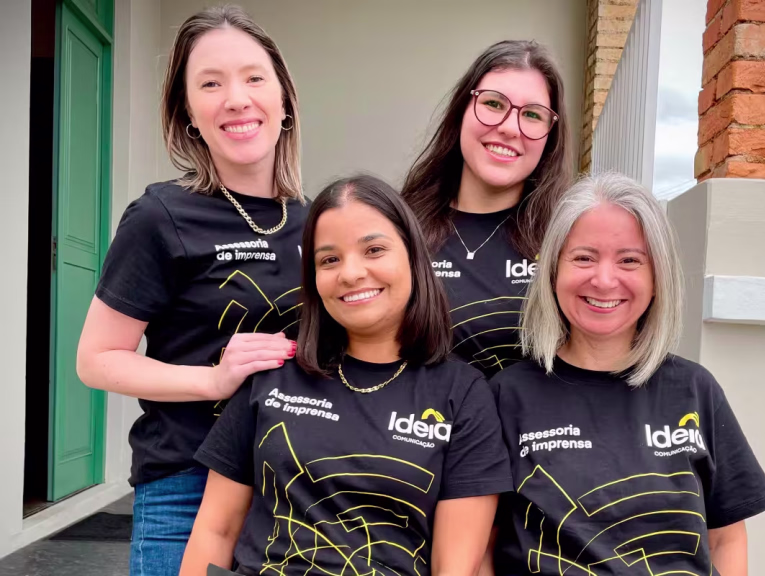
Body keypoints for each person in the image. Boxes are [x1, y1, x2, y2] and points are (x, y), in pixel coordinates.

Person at [180, 175, 513, 576]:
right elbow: (216, 530)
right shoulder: (273, 374)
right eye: (329, 260)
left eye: (374, 250)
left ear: (413, 257)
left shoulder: (463, 394)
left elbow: (455, 568)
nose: (351, 274)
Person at [75, 6, 306, 575]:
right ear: (188, 115)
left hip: (296, 489)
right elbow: (96, 359)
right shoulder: (161, 216)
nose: (236, 99)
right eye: (210, 83)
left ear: (283, 100)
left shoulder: (318, 222)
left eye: (254, 78)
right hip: (187, 485)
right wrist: (212, 379)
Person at [488, 173, 765, 576]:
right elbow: (481, 546)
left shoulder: (695, 390)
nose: (604, 280)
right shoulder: (506, 396)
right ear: (553, 271)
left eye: (629, 260)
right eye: (584, 257)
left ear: (657, 278)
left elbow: (725, 539)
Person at [402, 40, 572, 378]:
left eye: (532, 114)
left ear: (550, 136)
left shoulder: (567, 241)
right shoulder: (399, 226)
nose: (509, 127)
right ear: (461, 110)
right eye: (493, 103)